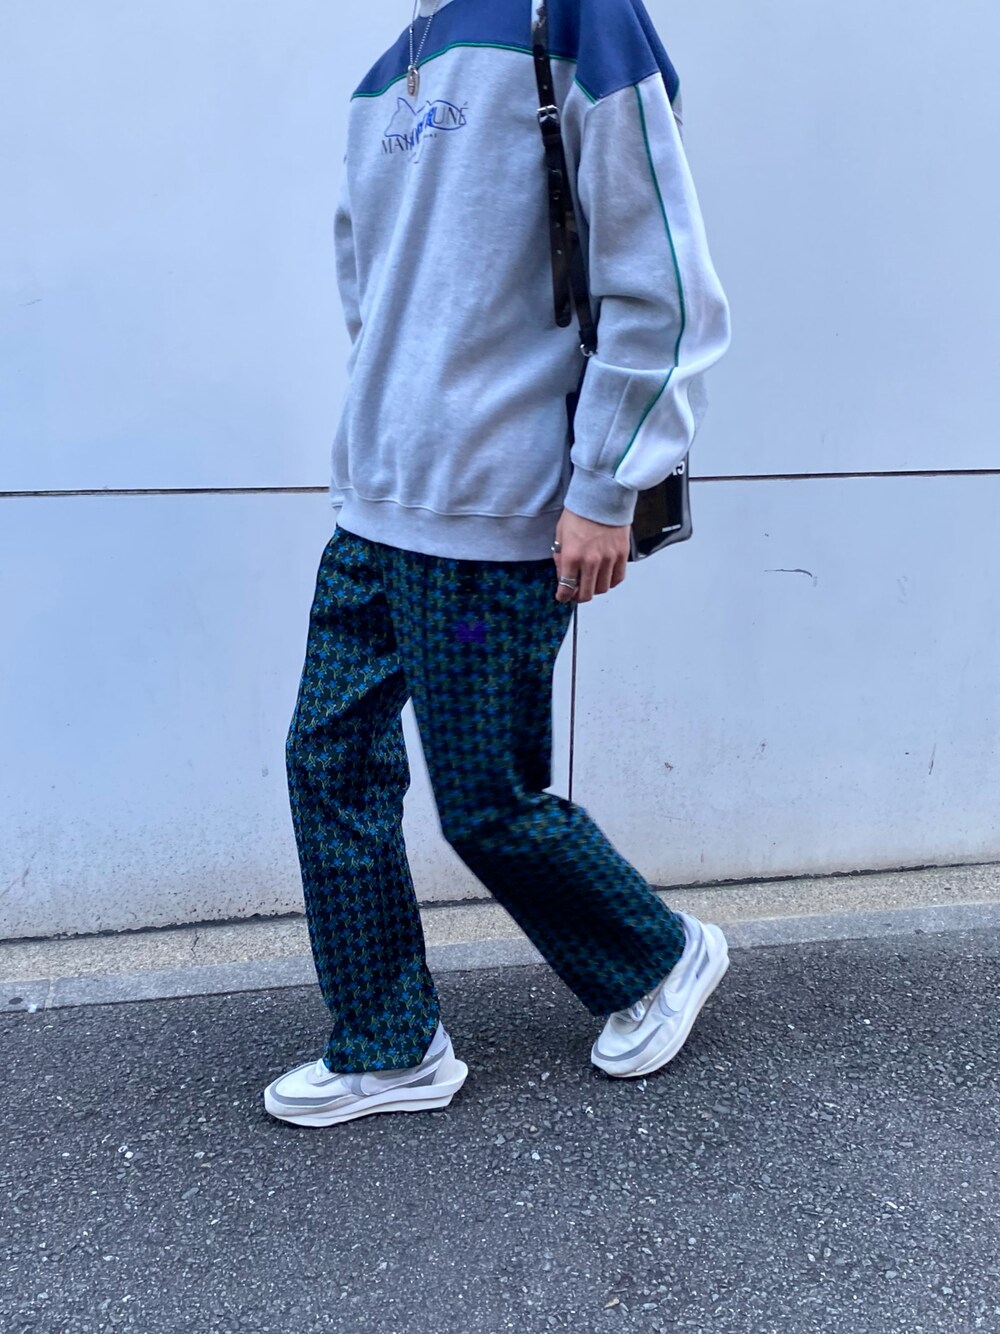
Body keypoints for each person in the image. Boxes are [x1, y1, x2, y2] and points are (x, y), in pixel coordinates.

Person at [264, 0, 731, 1127]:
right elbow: (371, 293)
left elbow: (661, 276)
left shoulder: (573, 17)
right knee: (328, 762)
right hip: (375, 510)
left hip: (492, 525)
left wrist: (607, 482)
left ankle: (658, 956)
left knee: (486, 799)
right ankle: (389, 1045)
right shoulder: (392, 65)